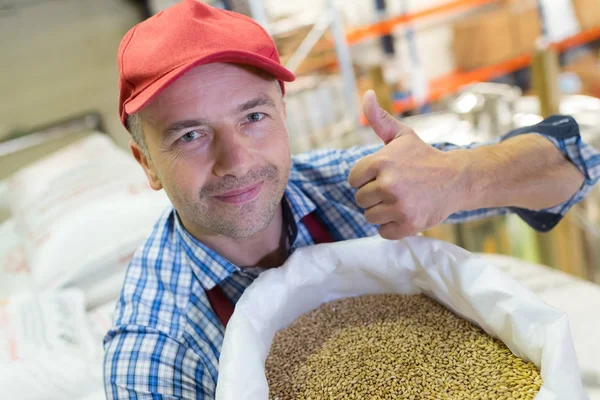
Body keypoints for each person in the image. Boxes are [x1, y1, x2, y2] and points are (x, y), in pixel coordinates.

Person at [103, 0, 599, 398]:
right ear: (146, 163)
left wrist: (460, 178)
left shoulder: (348, 182)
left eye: (253, 117)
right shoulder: (155, 355)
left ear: (282, 113)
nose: (235, 160)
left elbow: (574, 168)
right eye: (190, 135)